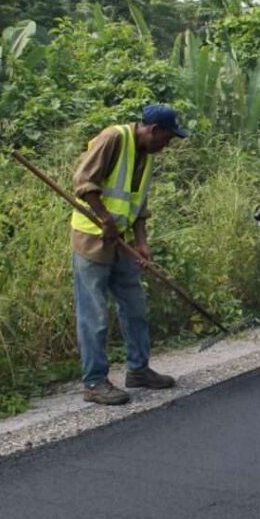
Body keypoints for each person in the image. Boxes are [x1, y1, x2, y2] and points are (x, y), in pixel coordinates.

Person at [71, 104, 188, 405]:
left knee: (135, 306)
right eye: (168, 138)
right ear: (154, 130)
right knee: (94, 315)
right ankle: (94, 382)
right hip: (93, 238)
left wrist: (141, 242)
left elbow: (139, 204)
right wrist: (105, 219)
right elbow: (83, 183)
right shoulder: (113, 138)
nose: (168, 144)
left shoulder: (147, 156)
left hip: (121, 239)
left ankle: (138, 370)